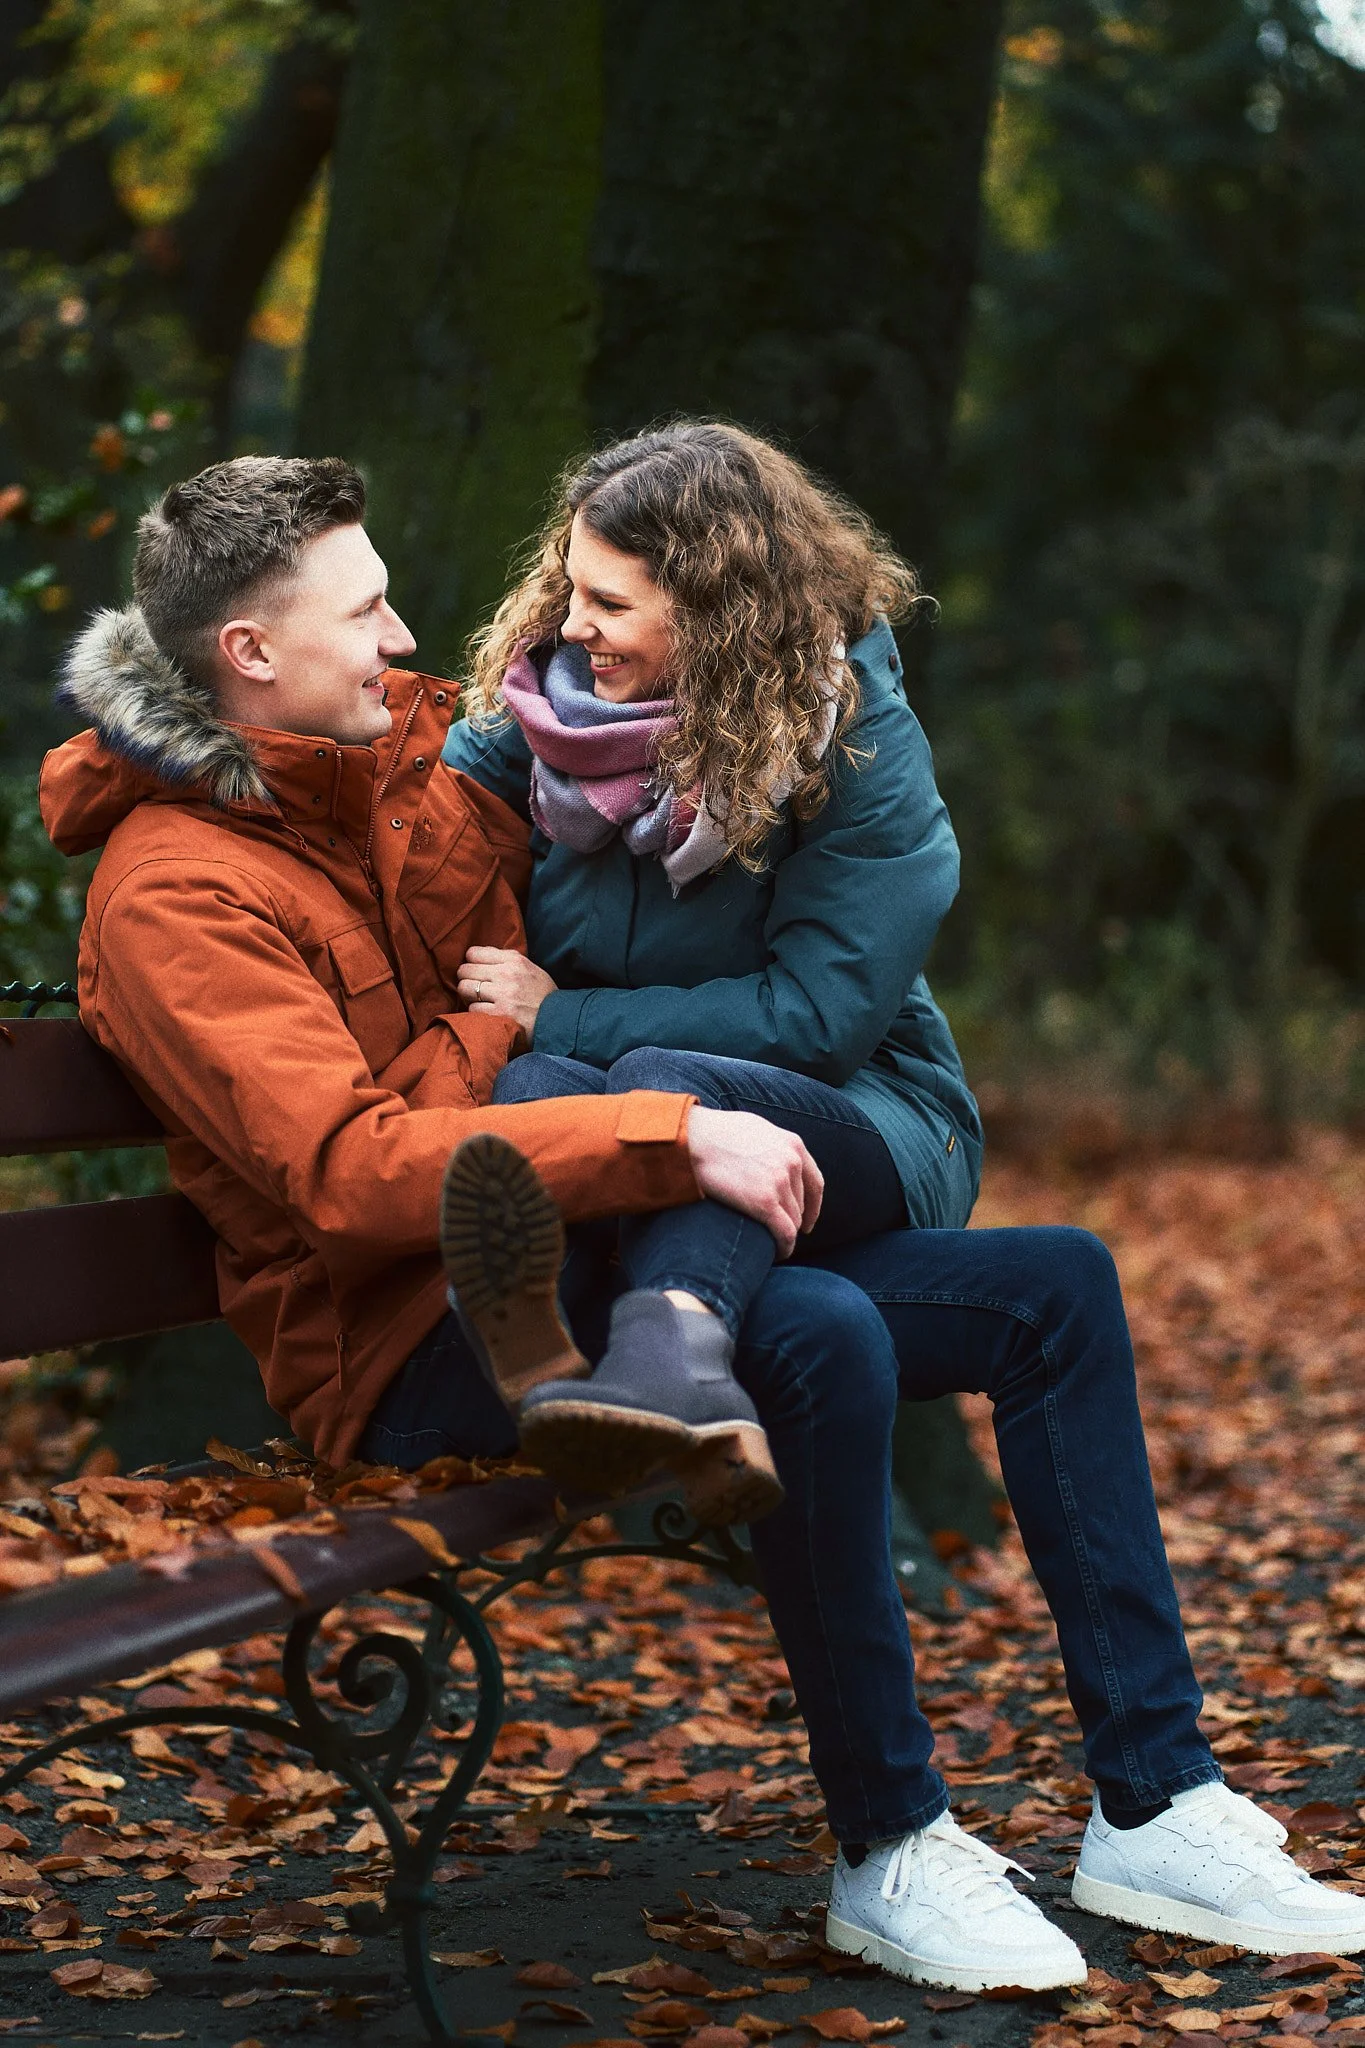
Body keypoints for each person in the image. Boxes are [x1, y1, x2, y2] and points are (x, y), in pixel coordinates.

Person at [430, 421, 1365, 1982]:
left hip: (863, 1123)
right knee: (1037, 1289)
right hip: (650, 1169)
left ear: (720, 608)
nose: (568, 627)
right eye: (569, 589)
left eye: (611, 603)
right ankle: (953, 1836)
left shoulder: (847, 727)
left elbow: (817, 1014)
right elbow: (381, 834)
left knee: (687, 1073)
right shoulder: (519, 727)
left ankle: (1155, 1811)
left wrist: (563, 1022)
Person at [38, 453, 825, 1525]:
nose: (402, 638)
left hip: (527, 1244)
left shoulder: (399, 788)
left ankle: (912, 1700)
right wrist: (668, 1134)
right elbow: (353, 1175)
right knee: (818, 1333)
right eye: (366, 611)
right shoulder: (175, 896)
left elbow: (582, 924)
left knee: (1010, 1288)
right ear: (251, 650)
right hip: (402, 1350)